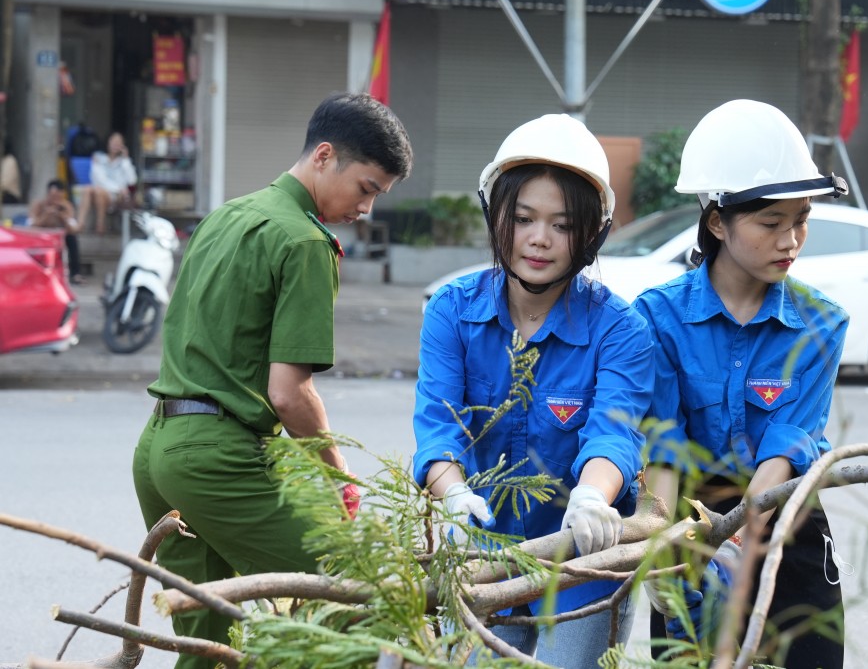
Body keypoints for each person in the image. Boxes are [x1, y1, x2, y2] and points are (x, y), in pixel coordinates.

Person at [132, 92, 413, 669]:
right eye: (365, 188)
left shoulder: (225, 216)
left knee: (205, 642)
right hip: (217, 459)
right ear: (325, 156)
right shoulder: (306, 242)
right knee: (352, 600)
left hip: (157, 450)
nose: (366, 209)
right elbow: (290, 394)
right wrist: (341, 480)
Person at [413, 114, 655, 667]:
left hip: (585, 555)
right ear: (496, 217)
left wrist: (592, 497)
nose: (539, 239)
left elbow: (615, 432)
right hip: (483, 549)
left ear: (590, 233)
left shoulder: (621, 329)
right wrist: (451, 497)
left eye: (562, 225)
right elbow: (438, 425)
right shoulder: (451, 311)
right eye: (523, 218)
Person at [634, 99, 850, 668]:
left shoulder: (823, 322)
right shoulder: (658, 317)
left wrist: (742, 537)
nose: (791, 240)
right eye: (771, 223)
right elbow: (663, 443)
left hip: (786, 517)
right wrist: (658, 535)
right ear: (716, 221)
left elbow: (790, 440)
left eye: (801, 218)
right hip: (692, 529)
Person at [28, 179, 85, 284]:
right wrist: (45, 216)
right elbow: (31, 225)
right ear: (48, 194)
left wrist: (62, 217)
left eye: (58, 197)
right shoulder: (38, 205)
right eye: (53, 196)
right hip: (42, 235)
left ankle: (75, 273)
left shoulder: (66, 206)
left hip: (60, 236)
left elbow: (73, 228)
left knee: (72, 239)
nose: (56, 200)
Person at [79, 131, 137, 233]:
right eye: (113, 141)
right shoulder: (98, 157)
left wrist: (126, 160)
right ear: (108, 142)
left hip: (116, 197)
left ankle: (100, 226)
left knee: (99, 192)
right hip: (104, 190)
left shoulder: (123, 162)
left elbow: (132, 180)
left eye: (119, 142)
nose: (116, 144)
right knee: (87, 189)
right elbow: (98, 179)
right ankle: (80, 223)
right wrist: (119, 188)